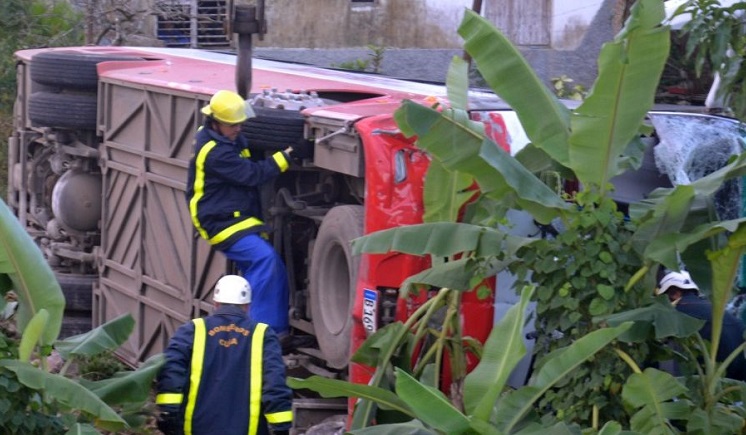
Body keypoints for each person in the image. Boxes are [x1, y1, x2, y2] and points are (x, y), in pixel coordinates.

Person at [186, 90, 311, 342]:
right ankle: (264, 333)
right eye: (233, 125)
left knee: (267, 267)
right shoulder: (214, 151)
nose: (239, 128)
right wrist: (289, 155)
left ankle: (257, 327)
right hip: (220, 222)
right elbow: (252, 174)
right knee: (265, 262)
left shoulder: (221, 137)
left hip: (235, 217)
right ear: (216, 122)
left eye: (240, 123)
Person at [155, 274, 293, 435]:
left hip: (196, 428)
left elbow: (171, 372)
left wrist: (169, 414)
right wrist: (281, 426)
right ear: (247, 305)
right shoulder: (262, 334)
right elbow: (274, 382)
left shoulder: (192, 330)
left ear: (215, 303)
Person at [657, 269, 746, 380]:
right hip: (735, 381)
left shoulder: (675, 314)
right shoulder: (721, 313)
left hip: (705, 381)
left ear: (674, 294)